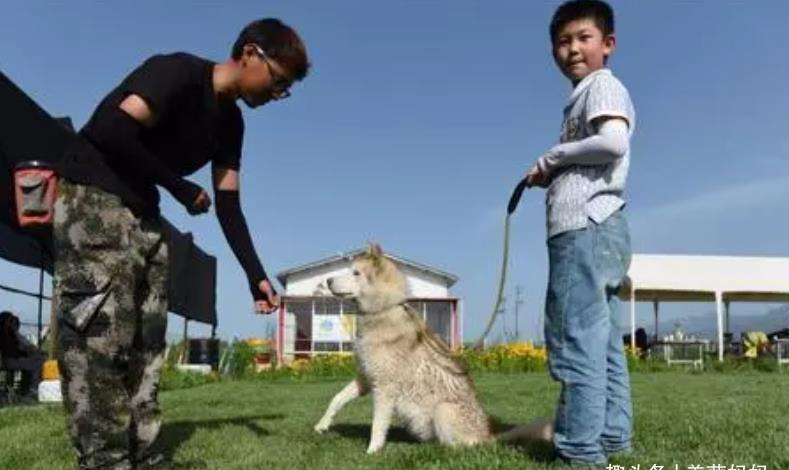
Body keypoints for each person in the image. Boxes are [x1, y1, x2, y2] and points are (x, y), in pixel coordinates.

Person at [54, 18, 309, 469]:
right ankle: (105, 460)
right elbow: (111, 130)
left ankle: (143, 455)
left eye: (284, 89)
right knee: (100, 336)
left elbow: (228, 207)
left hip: (144, 210)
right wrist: (179, 187)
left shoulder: (231, 125)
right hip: (93, 196)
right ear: (250, 53)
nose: (276, 95)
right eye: (278, 81)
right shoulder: (177, 73)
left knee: (147, 340)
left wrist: (256, 277)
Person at [523, 0, 636, 465]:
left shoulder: (601, 86)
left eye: (583, 38)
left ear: (607, 44)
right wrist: (551, 171)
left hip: (583, 229)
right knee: (604, 341)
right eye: (563, 41)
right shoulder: (587, 92)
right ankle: (613, 440)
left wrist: (553, 157)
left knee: (574, 340)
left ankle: (579, 451)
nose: (572, 49)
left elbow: (613, 141)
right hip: (604, 226)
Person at [0, 311, 46, 399]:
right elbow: (17, 349)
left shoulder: (6, 333)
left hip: (8, 360)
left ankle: (28, 388)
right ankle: (32, 389)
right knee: (38, 362)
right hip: (9, 361)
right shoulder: (8, 334)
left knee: (34, 361)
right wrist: (27, 352)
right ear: (7, 322)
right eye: (11, 321)